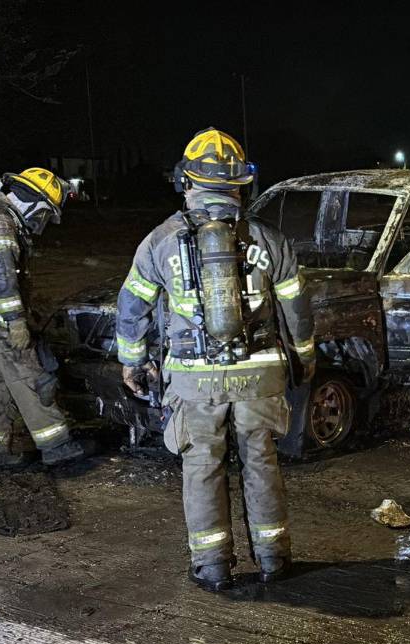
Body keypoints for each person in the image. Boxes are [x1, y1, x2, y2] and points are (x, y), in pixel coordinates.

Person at [116, 128, 315, 592]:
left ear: (186, 181)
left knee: (203, 465)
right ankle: (274, 560)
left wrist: (132, 362)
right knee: (261, 461)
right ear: (241, 184)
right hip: (259, 374)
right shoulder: (270, 240)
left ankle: (213, 568)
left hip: (193, 378)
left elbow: (132, 307)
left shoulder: (160, 241)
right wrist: (303, 358)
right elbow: (298, 308)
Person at [0, 168, 88, 473]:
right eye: (44, 213)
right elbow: (1, 276)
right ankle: (57, 447)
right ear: (33, 203)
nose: (42, 222)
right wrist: (17, 321)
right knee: (32, 381)